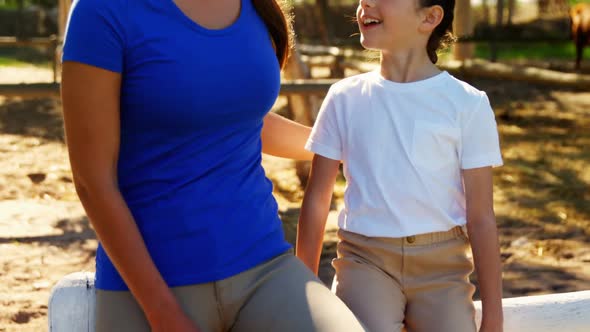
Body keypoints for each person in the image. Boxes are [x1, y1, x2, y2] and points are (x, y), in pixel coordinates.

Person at [60, 0, 368, 331]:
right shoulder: (103, 11)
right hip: (149, 287)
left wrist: (341, 145)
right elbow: (92, 181)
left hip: (265, 269)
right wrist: (162, 312)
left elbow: (239, 120)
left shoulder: (257, 8)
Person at [296, 0, 504, 331]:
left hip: (443, 268)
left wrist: (494, 316)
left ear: (430, 17)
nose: (365, 3)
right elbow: (317, 200)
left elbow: (481, 218)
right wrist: (302, 290)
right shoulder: (343, 97)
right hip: (364, 261)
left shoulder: (468, 104)